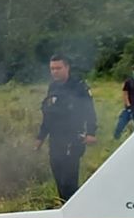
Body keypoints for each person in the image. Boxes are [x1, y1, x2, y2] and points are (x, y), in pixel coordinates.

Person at [35, 54, 97, 202]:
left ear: (67, 67)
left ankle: (75, 209)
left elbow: (90, 111)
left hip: (73, 138)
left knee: (68, 180)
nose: (54, 71)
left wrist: (91, 132)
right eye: (52, 69)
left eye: (58, 68)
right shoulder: (53, 87)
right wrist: (40, 138)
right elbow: (48, 115)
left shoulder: (79, 87)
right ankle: (65, 206)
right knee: (58, 176)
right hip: (55, 139)